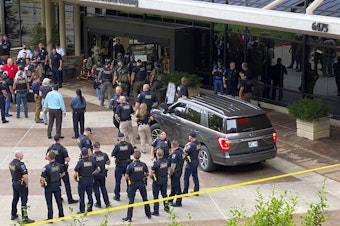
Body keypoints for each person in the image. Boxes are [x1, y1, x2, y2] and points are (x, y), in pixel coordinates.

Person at [46, 134, 78, 204]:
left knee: (57, 183)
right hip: (62, 168)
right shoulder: (62, 149)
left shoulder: (50, 148)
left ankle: (59, 198)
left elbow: (46, 157)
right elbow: (67, 159)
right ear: (60, 139)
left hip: (53, 168)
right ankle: (69, 198)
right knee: (67, 184)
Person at [123, 150, 151, 222]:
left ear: (133, 156)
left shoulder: (130, 166)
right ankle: (148, 214)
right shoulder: (143, 165)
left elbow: (126, 177)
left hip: (133, 184)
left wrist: (131, 178)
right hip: (141, 183)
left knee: (131, 201)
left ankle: (129, 217)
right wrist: (142, 175)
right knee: (145, 199)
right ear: (140, 156)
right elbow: (147, 173)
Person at [9, 150, 35, 223]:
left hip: (14, 182)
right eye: (22, 154)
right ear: (19, 156)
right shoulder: (20, 165)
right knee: (24, 200)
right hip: (21, 184)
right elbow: (25, 176)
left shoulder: (11, 163)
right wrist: (26, 184)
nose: (23, 155)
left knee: (15, 198)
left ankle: (13, 214)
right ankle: (25, 217)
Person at [74, 147, 100, 214]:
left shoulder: (80, 162)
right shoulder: (92, 160)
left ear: (82, 153)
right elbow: (98, 169)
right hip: (90, 179)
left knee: (82, 196)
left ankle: (82, 210)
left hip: (82, 180)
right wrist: (92, 174)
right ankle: (90, 208)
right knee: (90, 195)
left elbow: (75, 173)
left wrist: (76, 179)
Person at [40, 151, 65, 220]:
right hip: (57, 184)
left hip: (49, 186)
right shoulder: (59, 165)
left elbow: (41, 178)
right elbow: (63, 174)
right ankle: (61, 214)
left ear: (49, 158)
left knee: (49, 202)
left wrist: (42, 185)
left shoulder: (46, 167)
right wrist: (58, 177)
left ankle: (50, 217)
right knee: (59, 201)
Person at [111, 132, 134, 201]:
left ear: (118, 138)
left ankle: (117, 195)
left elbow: (113, 154)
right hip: (127, 164)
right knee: (128, 180)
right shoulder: (129, 145)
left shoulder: (117, 146)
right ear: (124, 138)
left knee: (118, 181)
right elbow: (132, 152)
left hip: (119, 164)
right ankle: (130, 194)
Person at [91, 142, 111, 208]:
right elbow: (108, 163)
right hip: (102, 173)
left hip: (95, 175)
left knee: (96, 189)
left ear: (94, 147)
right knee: (103, 188)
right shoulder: (104, 155)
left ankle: (98, 203)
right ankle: (107, 203)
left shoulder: (92, 156)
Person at [150, 149, 169, 216]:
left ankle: (156, 211)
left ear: (157, 155)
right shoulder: (166, 161)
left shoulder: (156, 163)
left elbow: (151, 173)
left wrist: (151, 177)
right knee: (164, 194)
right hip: (164, 179)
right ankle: (167, 207)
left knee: (156, 196)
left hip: (157, 181)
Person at [168, 140, 184, 207]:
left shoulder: (174, 154)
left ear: (172, 146)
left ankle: (178, 202)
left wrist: (170, 173)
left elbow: (173, 166)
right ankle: (170, 200)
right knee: (174, 186)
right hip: (179, 170)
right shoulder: (181, 151)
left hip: (175, 172)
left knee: (177, 187)